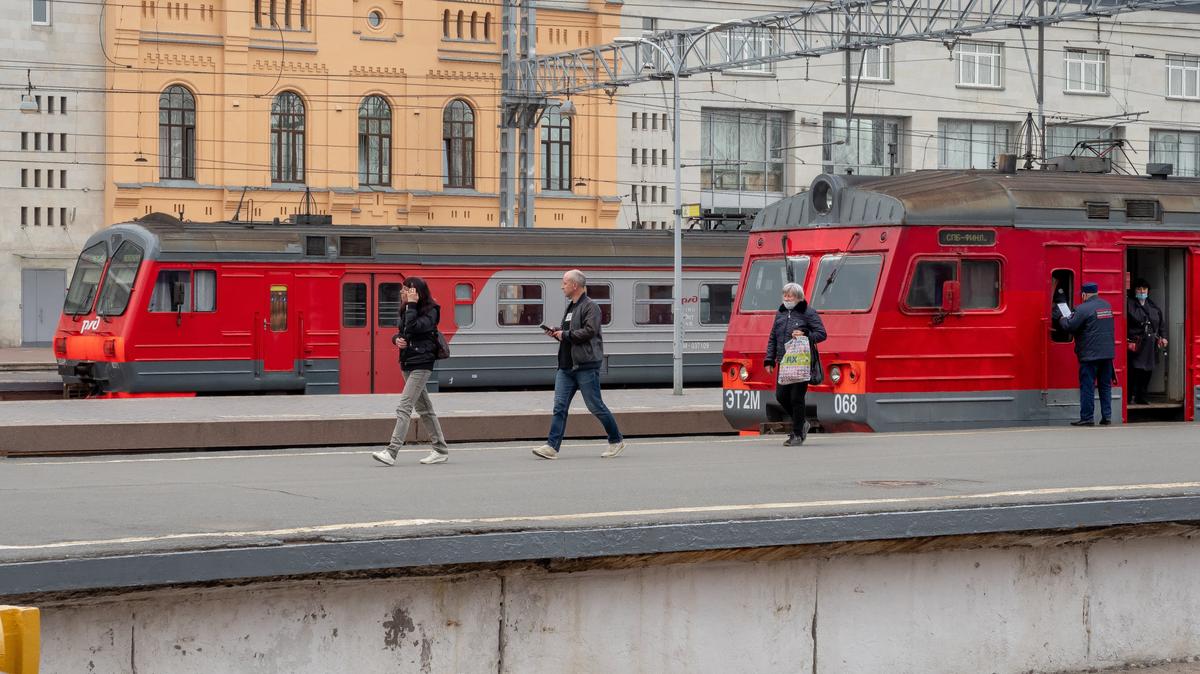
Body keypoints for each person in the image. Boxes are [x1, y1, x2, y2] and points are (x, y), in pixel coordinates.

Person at [532, 269, 625, 460]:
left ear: (575, 285)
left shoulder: (591, 307)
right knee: (559, 407)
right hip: (566, 367)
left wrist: (565, 335)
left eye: (564, 283)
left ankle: (616, 440)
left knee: (595, 406)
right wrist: (558, 333)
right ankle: (552, 447)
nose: (562, 286)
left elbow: (589, 331)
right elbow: (572, 333)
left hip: (585, 366)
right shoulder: (571, 307)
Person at [373, 277, 451, 466]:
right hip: (407, 362)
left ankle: (392, 451)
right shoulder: (407, 309)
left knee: (404, 406)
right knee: (425, 409)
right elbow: (404, 331)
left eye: (405, 289)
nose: (402, 293)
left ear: (415, 292)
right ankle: (440, 450)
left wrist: (411, 306)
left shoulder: (431, 310)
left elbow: (416, 327)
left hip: (422, 363)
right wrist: (396, 339)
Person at [763, 282, 827, 446]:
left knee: (796, 398)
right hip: (784, 362)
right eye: (785, 295)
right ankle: (802, 422)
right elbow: (773, 338)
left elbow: (821, 334)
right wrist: (769, 360)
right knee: (781, 396)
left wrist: (805, 333)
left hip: (802, 362)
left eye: (790, 296)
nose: (786, 298)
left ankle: (797, 434)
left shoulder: (808, 312)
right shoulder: (780, 313)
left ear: (798, 297)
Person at [1058, 281, 1115, 426]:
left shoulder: (1082, 308)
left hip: (1090, 356)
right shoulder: (1107, 306)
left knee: (1088, 386)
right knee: (1105, 386)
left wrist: (1062, 318)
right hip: (1107, 354)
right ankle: (1106, 417)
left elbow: (1070, 326)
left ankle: (1087, 418)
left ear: (1084, 294)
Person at [1125, 278, 1167, 406]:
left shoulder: (1154, 307)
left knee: (1147, 372)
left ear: (1148, 291)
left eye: (1144, 289)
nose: (1142, 291)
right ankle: (1128, 396)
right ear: (1135, 290)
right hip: (1136, 344)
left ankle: (1141, 396)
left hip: (1150, 345)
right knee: (1134, 371)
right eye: (1139, 289)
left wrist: (1163, 337)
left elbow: (1161, 326)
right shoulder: (1129, 304)